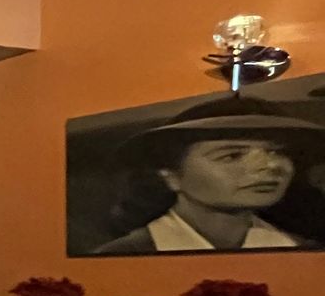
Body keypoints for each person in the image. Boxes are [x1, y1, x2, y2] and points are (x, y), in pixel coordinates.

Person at [95, 95, 325, 253]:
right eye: (232, 155)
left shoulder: (305, 251)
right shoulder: (122, 256)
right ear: (171, 175)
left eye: (278, 152)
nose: (271, 165)